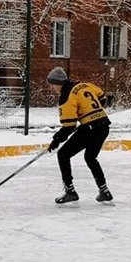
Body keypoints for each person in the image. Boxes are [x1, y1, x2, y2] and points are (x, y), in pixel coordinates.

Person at [46, 67, 113, 206]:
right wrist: (93, 111)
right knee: (90, 157)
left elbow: (69, 125)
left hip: (90, 128)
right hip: (104, 125)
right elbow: (102, 96)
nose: (52, 88)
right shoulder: (84, 85)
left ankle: (70, 191)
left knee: (63, 154)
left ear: (59, 83)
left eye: (52, 84)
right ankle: (104, 191)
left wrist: (56, 140)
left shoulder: (66, 95)